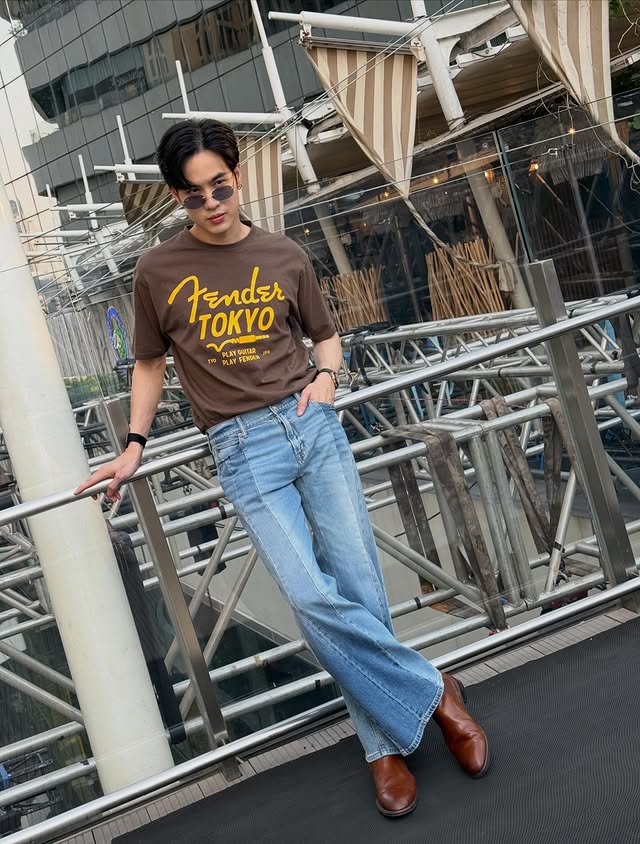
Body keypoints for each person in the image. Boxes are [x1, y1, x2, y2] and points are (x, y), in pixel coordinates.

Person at [75, 119, 489, 817]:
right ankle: (436, 692)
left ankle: (381, 747)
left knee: (360, 587)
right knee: (309, 596)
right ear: (176, 197)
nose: (212, 204)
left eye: (221, 187)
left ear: (236, 177)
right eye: (195, 195)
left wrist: (326, 380)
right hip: (241, 448)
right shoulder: (157, 271)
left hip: (312, 428)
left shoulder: (284, 253)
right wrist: (134, 444)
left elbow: (326, 338)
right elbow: (148, 362)